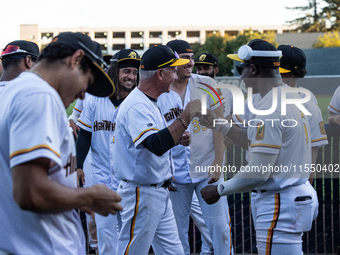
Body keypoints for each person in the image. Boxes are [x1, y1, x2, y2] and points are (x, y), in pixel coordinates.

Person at [0, 32, 122, 255]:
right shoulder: (39, 95)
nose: (84, 95)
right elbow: (30, 192)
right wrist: (89, 195)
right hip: (42, 246)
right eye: (88, 81)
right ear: (75, 59)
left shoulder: (10, 92)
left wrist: (72, 199)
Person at [200, 39, 318, 255]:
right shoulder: (282, 96)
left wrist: (219, 190)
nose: (240, 76)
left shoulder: (270, 107)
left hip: (280, 201)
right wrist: (220, 125)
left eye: (241, 69)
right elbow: (256, 143)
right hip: (288, 197)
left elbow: (259, 171)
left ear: (252, 69)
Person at [114, 45, 200, 255]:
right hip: (140, 193)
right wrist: (186, 117)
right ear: (161, 74)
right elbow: (156, 145)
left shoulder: (150, 101)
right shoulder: (137, 105)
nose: (177, 73)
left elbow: (159, 140)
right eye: (173, 69)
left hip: (157, 192)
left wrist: (176, 136)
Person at [158, 40, 234, 255]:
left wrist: (219, 163)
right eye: (184, 57)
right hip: (174, 175)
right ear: (171, 61)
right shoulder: (160, 89)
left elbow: (219, 126)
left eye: (191, 57)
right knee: (176, 234)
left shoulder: (207, 83)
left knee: (220, 229)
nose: (190, 62)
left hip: (207, 169)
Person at [76, 49, 140, 255]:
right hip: (101, 177)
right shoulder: (95, 99)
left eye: (135, 72)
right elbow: (84, 134)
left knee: (130, 237)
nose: (131, 76)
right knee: (105, 237)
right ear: (114, 71)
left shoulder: (140, 102)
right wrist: (77, 166)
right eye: (127, 71)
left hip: (131, 180)